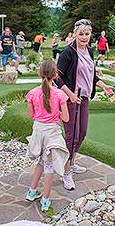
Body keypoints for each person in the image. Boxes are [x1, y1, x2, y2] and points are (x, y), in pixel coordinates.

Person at [55, 19, 114, 190]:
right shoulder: (68, 52)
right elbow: (57, 77)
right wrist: (70, 95)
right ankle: (66, 173)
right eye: (80, 34)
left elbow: (91, 74)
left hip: (85, 97)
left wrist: (103, 85)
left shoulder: (89, 51)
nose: (84, 37)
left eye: (87, 34)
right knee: (71, 136)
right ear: (75, 33)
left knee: (81, 134)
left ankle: (72, 162)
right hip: (70, 99)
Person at [25, 60, 70, 212]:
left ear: (39, 73)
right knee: (49, 166)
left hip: (38, 130)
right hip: (52, 133)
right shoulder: (60, 94)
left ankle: (31, 192)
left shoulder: (32, 93)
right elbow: (66, 118)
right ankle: (45, 200)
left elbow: (31, 115)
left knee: (40, 162)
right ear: (56, 75)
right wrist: (55, 112)